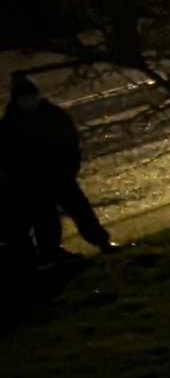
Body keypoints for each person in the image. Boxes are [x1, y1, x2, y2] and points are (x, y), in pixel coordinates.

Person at [3, 73, 113, 260]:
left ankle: (101, 242)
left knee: (81, 212)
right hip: (35, 182)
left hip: (60, 176)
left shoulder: (50, 115)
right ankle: (50, 252)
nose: (28, 102)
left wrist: (70, 167)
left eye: (30, 97)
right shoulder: (11, 125)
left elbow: (70, 142)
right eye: (24, 99)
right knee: (46, 220)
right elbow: (7, 158)